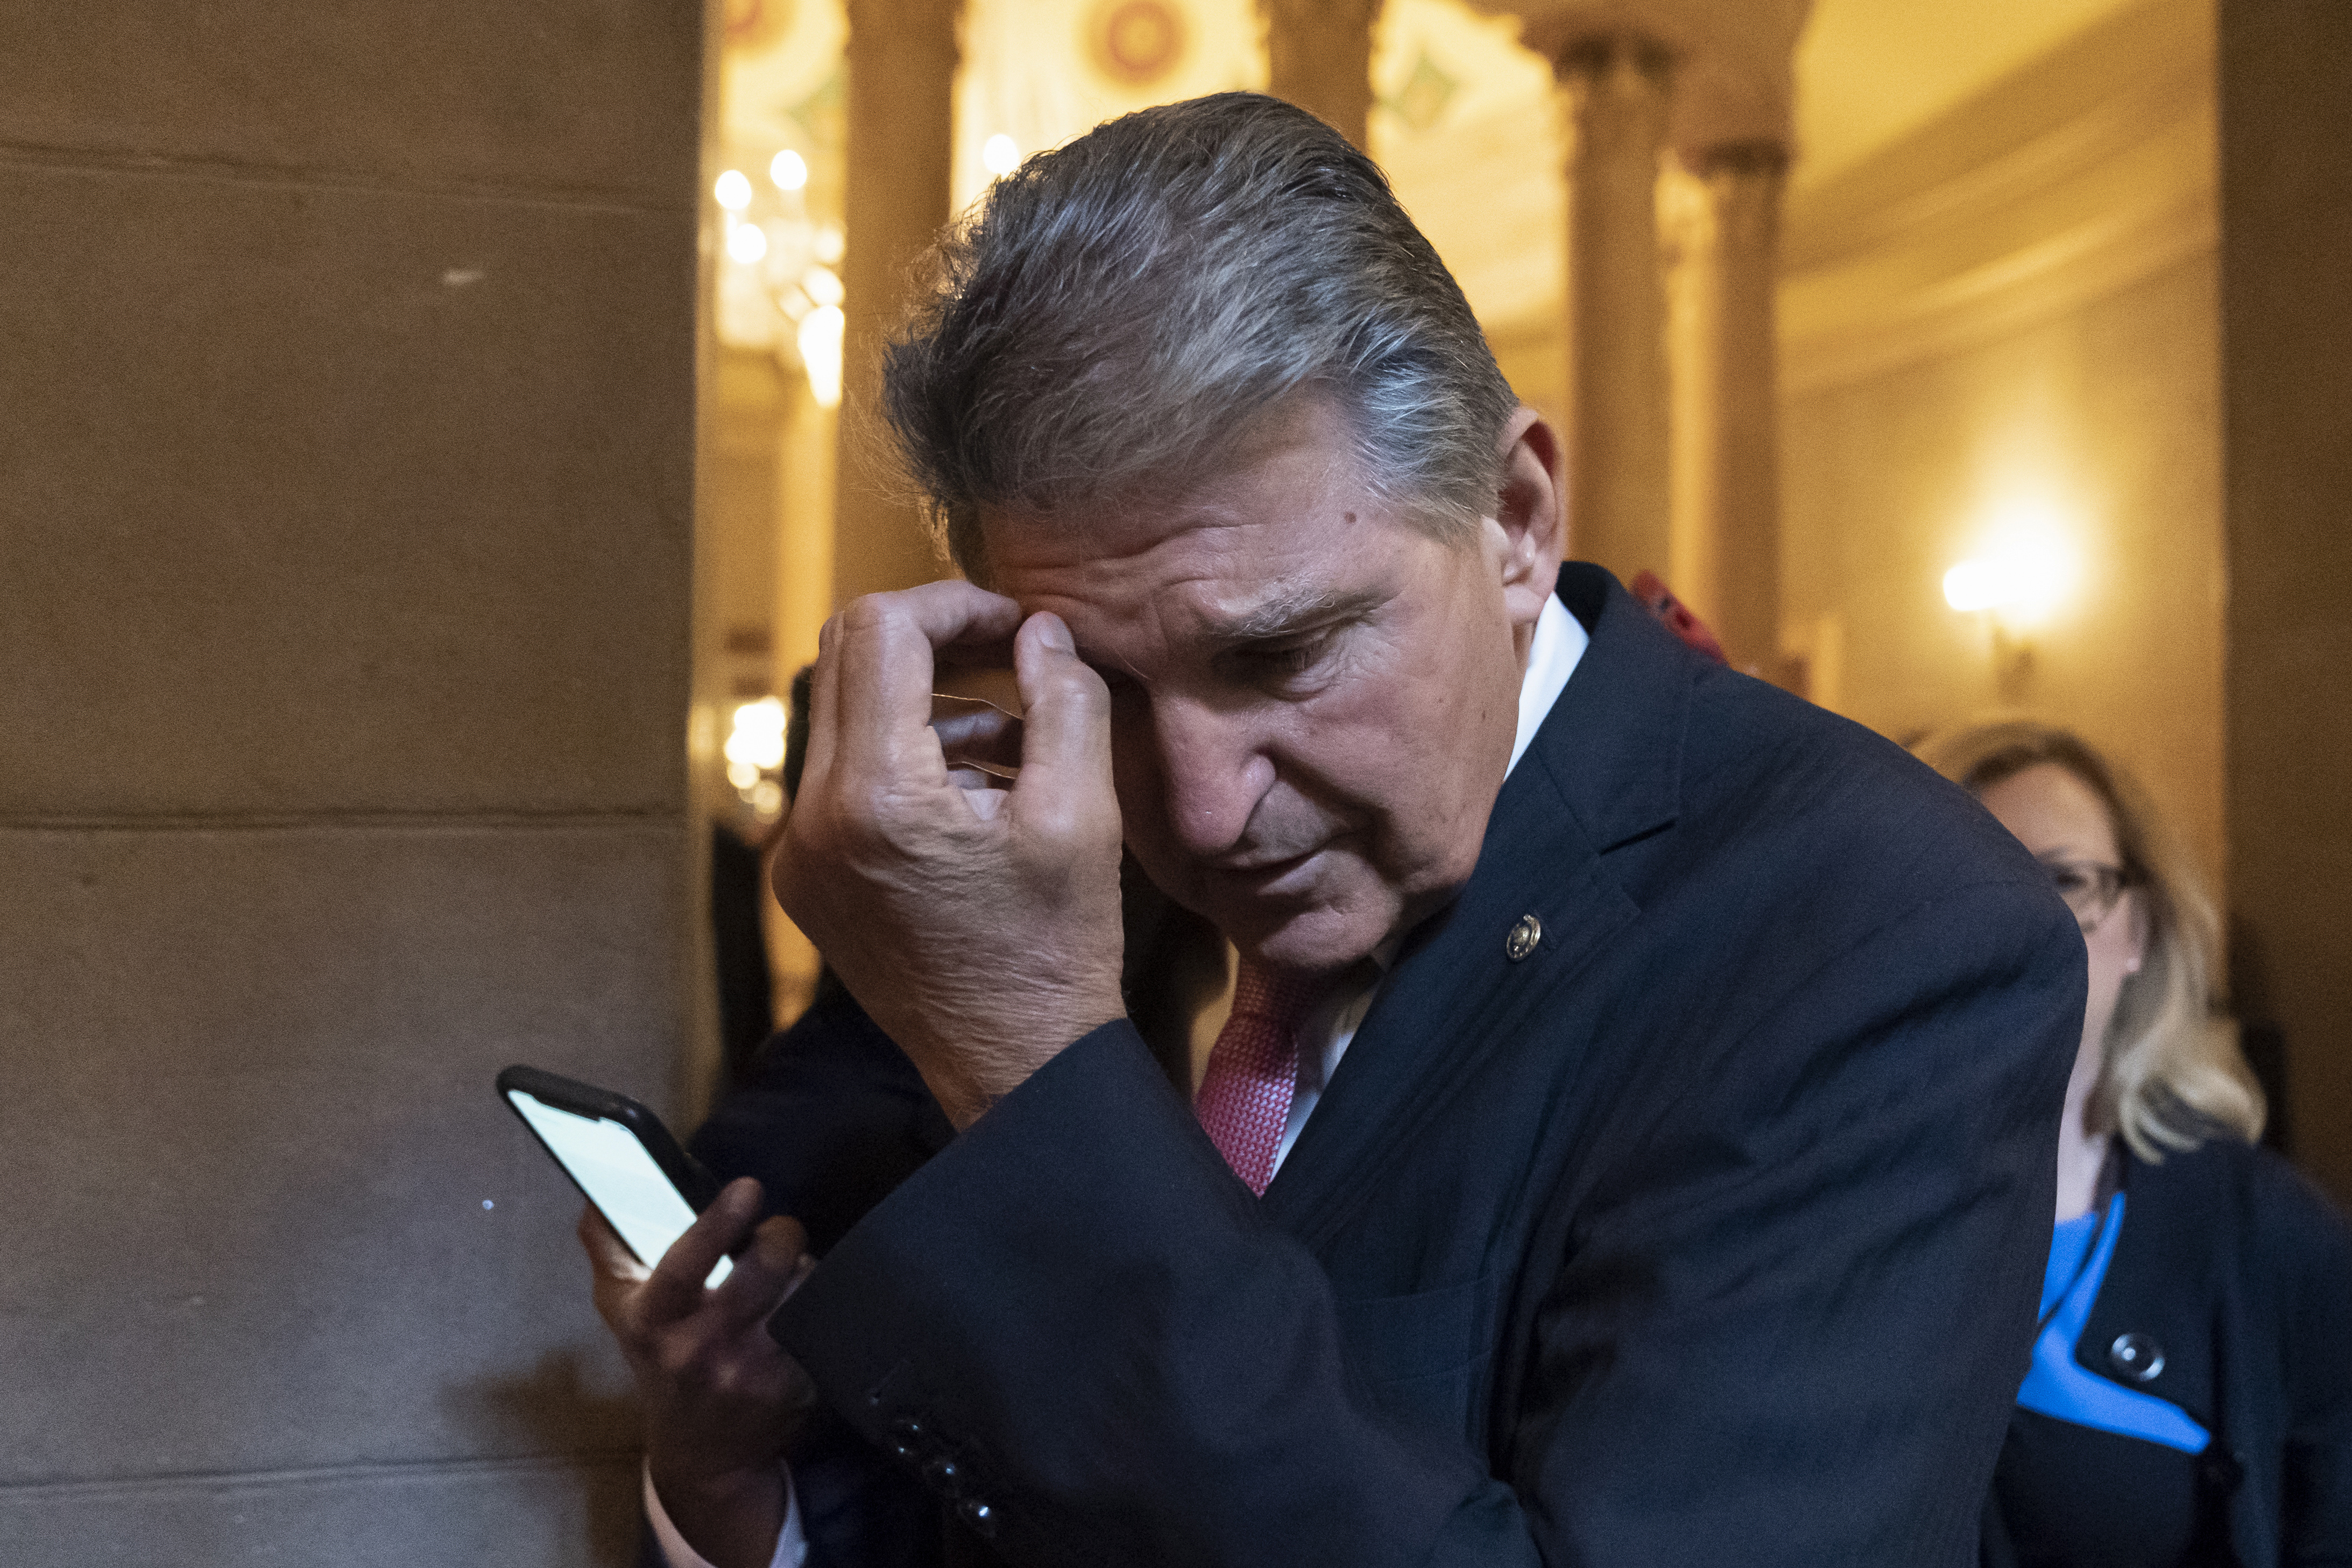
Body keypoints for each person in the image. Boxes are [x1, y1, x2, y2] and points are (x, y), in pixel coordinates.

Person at [583, 93, 2086, 1568]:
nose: (1198, 805)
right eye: (1102, 684)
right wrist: (751, 1510)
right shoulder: (1061, 870)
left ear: (1512, 517)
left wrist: (1034, 1075)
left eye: (1279, 655)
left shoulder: (1876, 932)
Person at [1917, 721, 2352, 1567]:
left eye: (2067, 879)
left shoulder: (2265, 1233)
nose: (2023, 923)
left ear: (2141, 931)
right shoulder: (1831, 1204)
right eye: (1966, 880)